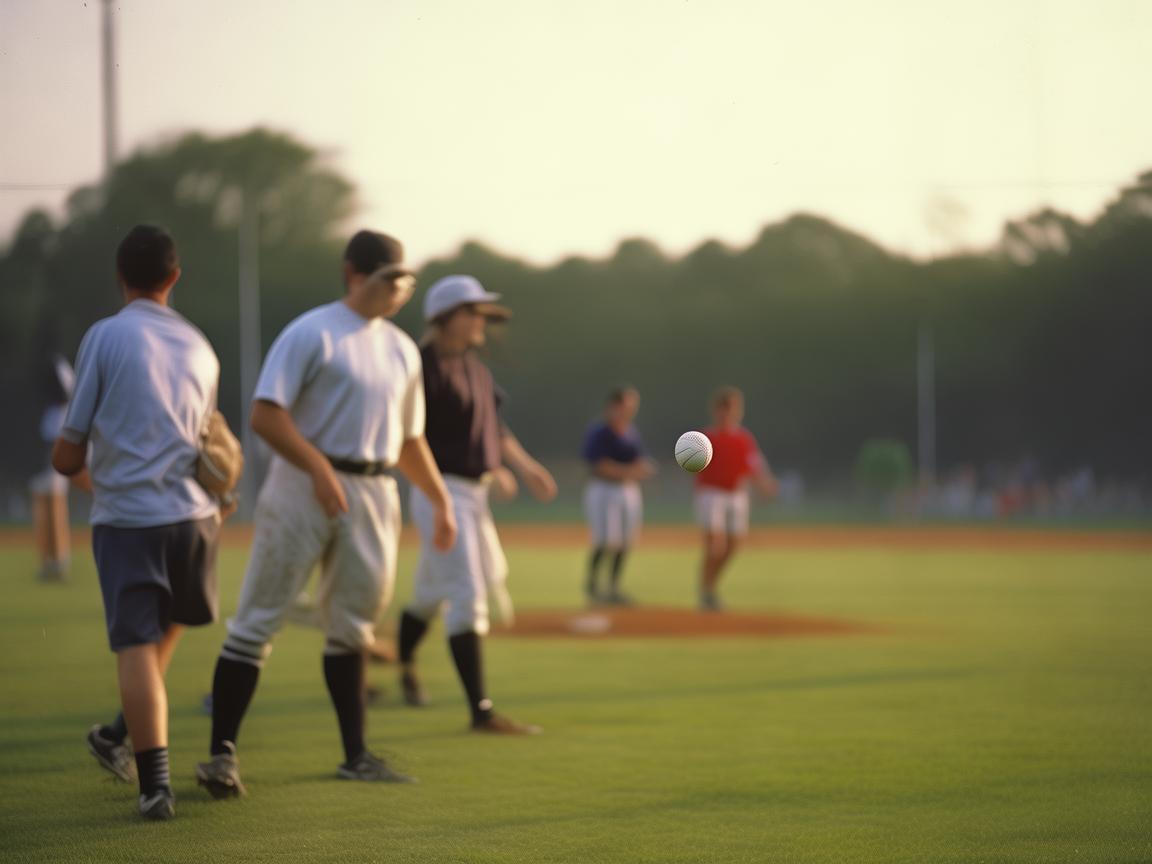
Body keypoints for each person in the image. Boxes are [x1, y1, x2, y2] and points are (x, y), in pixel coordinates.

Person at [197, 230, 456, 798]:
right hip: (302, 486)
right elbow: (266, 415)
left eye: (405, 281)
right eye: (388, 278)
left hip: (373, 490)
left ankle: (355, 756)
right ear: (353, 274)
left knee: (354, 626)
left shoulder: (401, 349)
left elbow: (409, 440)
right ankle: (221, 755)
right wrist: (316, 467)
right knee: (258, 618)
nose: (398, 290)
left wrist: (440, 501)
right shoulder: (313, 331)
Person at [52, 225, 224, 820]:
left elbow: (68, 453)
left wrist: (88, 471)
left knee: (134, 646)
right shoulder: (201, 345)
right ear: (174, 277)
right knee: (159, 637)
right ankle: (116, 735)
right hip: (196, 519)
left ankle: (155, 788)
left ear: (120, 275)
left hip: (129, 521)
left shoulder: (106, 335)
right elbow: (210, 443)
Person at [395, 275, 557, 735]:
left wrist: (522, 467)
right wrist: (437, 497)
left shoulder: (475, 369)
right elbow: (408, 435)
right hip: (438, 490)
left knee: (434, 590)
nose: (481, 320)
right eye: (473, 312)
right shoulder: (420, 367)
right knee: (467, 593)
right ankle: (481, 712)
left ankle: (404, 663)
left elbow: (494, 429)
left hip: (473, 493)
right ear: (446, 317)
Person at [694, 387, 777, 611]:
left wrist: (765, 484)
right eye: (724, 408)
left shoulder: (743, 439)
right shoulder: (705, 439)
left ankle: (711, 586)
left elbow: (754, 466)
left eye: (732, 408)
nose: (728, 413)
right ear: (716, 411)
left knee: (732, 546)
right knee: (714, 546)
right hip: (711, 494)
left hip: (736, 494)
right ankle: (705, 590)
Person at [581, 387, 654, 605]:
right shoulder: (600, 432)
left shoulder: (630, 432)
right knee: (605, 540)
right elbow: (599, 465)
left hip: (627, 490)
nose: (630, 411)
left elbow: (638, 460)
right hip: (604, 490)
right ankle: (593, 586)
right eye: (626, 406)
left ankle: (614, 587)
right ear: (613, 406)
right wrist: (631, 471)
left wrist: (642, 469)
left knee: (625, 541)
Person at [31, 352, 77, 581]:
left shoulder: (62, 412)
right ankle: (49, 559)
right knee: (44, 506)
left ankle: (58, 560)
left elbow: (69, 392)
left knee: (55, 506)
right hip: (49, 455)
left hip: (57, 456)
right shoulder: (51, 412)